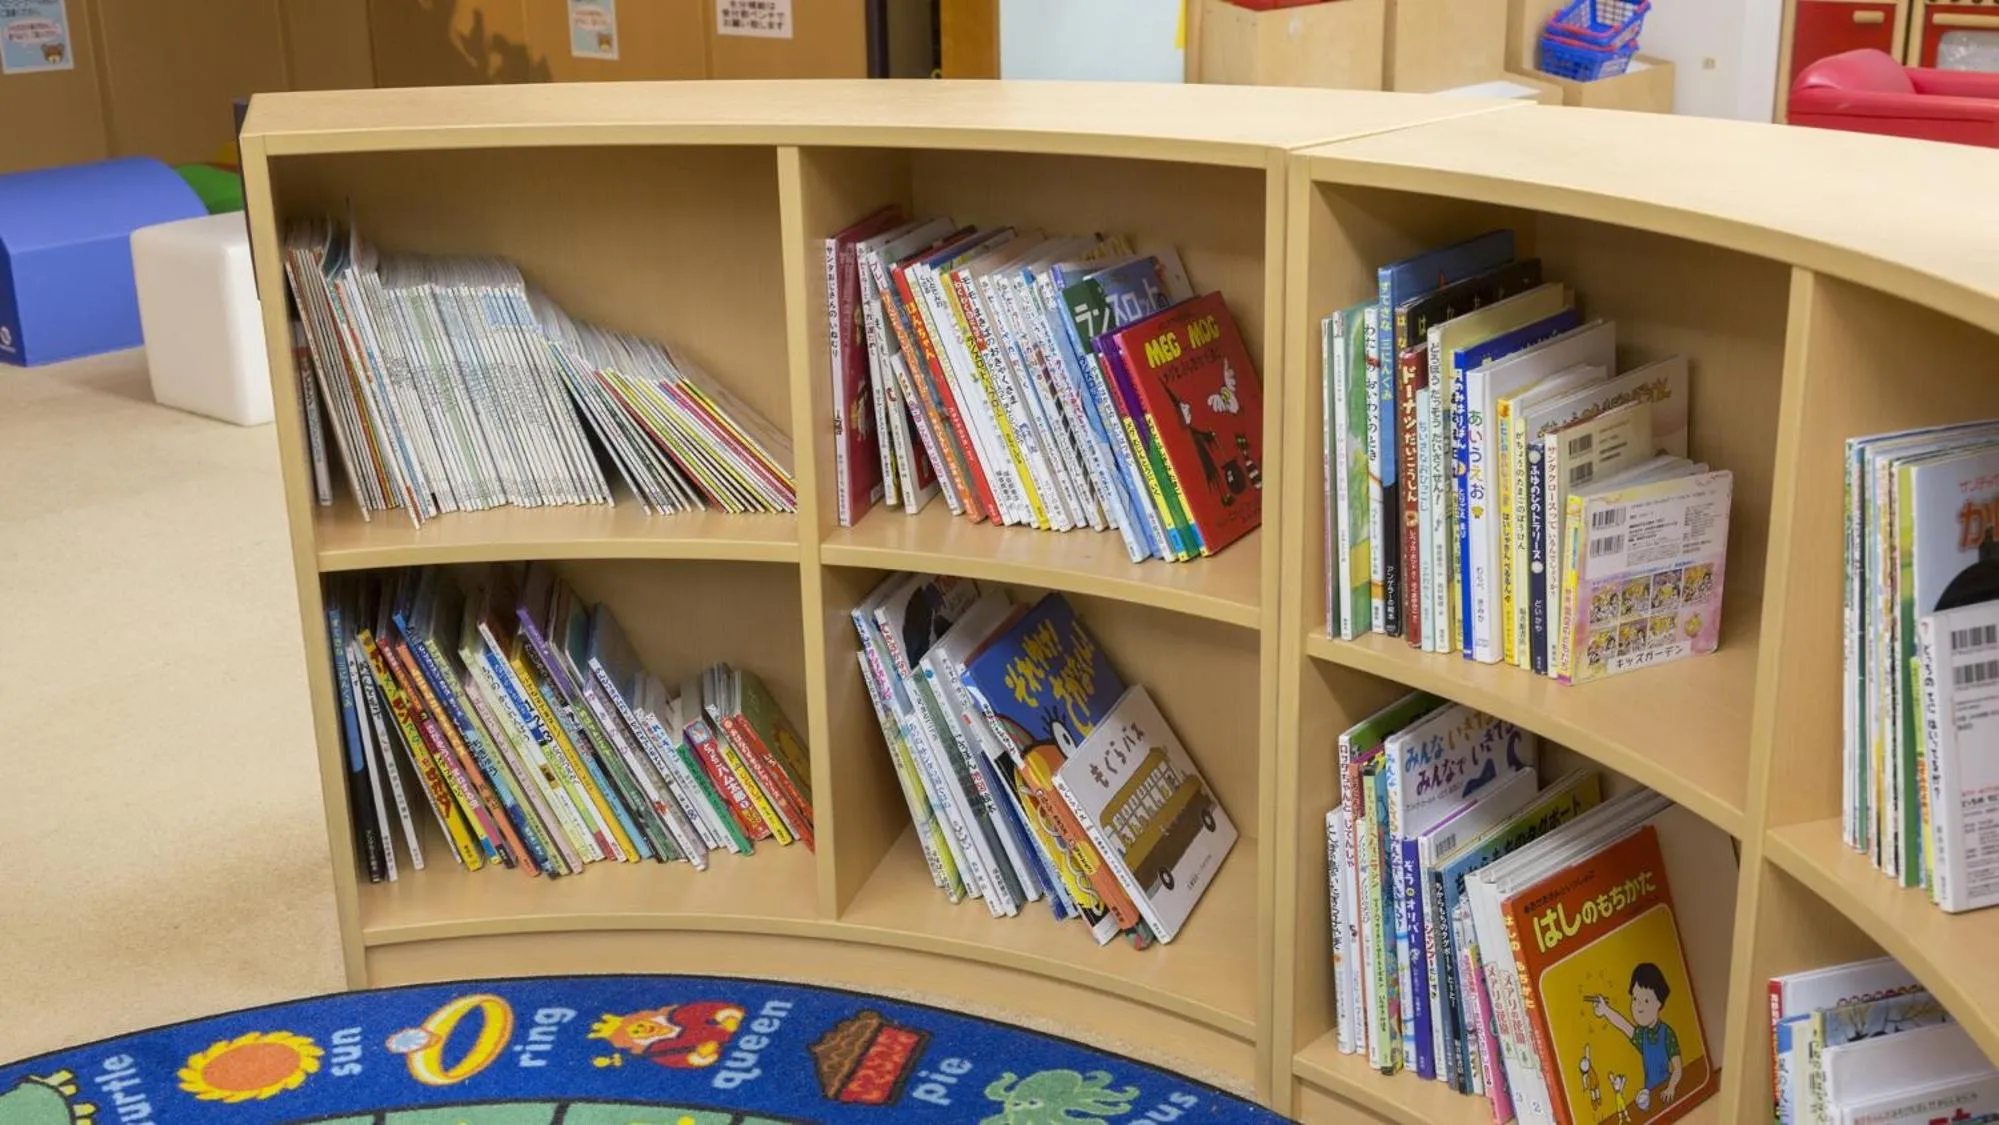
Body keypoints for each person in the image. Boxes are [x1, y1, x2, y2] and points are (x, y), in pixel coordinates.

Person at [1588, 963, 1683, 1104]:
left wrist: (1671, 1087)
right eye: (1635, 999)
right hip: (1649, 1094)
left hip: (1666, 1090)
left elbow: (1678, 1068)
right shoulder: (1642, 1035)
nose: (1638, 1006)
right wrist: (1605, 1010)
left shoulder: (1667, 1034)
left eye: (1646, 1000)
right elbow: (1623, 1025)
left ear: (1659, 1003)